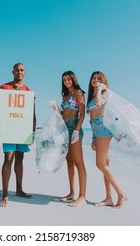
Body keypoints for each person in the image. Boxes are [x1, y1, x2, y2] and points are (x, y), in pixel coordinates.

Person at [0, 63, 36, 207]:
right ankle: (5, 195)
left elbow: (32, 113)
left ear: (25, 72)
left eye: (22, 70)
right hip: (9, 129)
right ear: (13, 72)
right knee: (8, 157)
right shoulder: (4, 87)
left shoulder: (29, 90)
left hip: (22, 130)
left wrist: (33, 131)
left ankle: (19, 189)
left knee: (20, 158)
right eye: (17, 70)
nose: (19, 72)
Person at [87, 71, 128, 209]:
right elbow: (92, 118)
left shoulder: (102, 96)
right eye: (94, 78)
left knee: (100, 165)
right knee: (105, 165)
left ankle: (121, 194)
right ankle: (109, 197)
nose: (95, 80)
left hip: (104, 131)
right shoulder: (92, 96)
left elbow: (99, 105)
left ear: (103, 82)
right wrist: (93, 138)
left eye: (99, 79)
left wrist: (100, 89)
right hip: (97, 132)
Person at [55, 71, 87, 207]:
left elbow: (82, 113)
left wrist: (77, 130)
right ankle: (72, 193)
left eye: (68, 79)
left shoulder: (77, 93)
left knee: (79, 162)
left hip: (74, 126)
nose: (66, 81)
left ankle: (82, 196)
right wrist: (57, 109)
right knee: (69, 162)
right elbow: (64, 114)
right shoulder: (65, 96)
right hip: (64, 128)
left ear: (73, 79)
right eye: (64, 80)